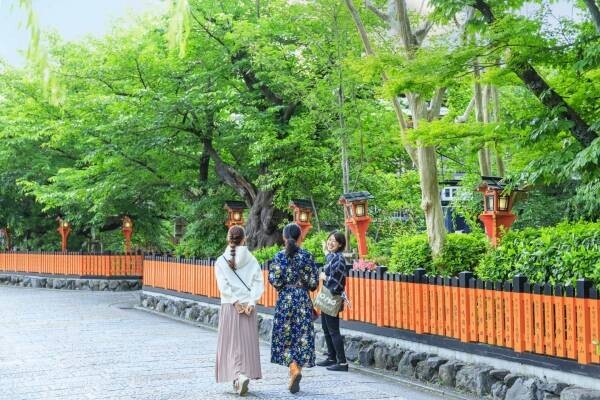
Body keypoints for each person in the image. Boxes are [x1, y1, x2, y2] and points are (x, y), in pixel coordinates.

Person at [268, 223, 319, 394]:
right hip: (303, 299)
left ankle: (293, 368)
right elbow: (313, 283)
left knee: (285, 336)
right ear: (300, 237)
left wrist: (285, 286)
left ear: (284, 237)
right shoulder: (307, 256)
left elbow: (275, 280)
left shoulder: (279, 256)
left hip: (286, 300)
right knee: (302, 336)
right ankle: (296, 371)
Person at [215, 225, 264, 396]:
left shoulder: (221, 261)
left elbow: (223, 285)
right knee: (246, 343)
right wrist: (252, 302)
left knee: (231, 343)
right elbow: (258, 282)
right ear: (244, 239)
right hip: (248, 307)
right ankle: (243, 374)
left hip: (230, 305)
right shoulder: (252, 260)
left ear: (228, 239)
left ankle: (238, 376)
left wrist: (234, 301)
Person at [316, 231, 348, 371]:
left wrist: (325, 277)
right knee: (326, 328)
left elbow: (337, 282)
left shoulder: (339, 259)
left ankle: (342, 363)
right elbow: (329, 257)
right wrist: (325, 250)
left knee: (333, 330)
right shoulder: (333, 257)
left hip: (332, 297)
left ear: (340, 244)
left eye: (334, 241)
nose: (330, 242)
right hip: (327, 297)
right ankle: (331, 358)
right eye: (329, 240)